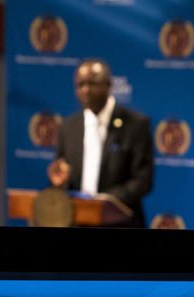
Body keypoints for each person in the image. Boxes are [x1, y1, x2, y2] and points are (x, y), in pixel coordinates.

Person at [47, 59, 153, 228]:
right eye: (80, 85)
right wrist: (60, 181)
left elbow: (143, 180)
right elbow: (63, 179)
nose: (85, 90)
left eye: (92, 84)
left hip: (120, 222)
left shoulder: (135, 124)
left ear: (109, 85)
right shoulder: (68, 127)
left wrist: (103, 202)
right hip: (77, 221)